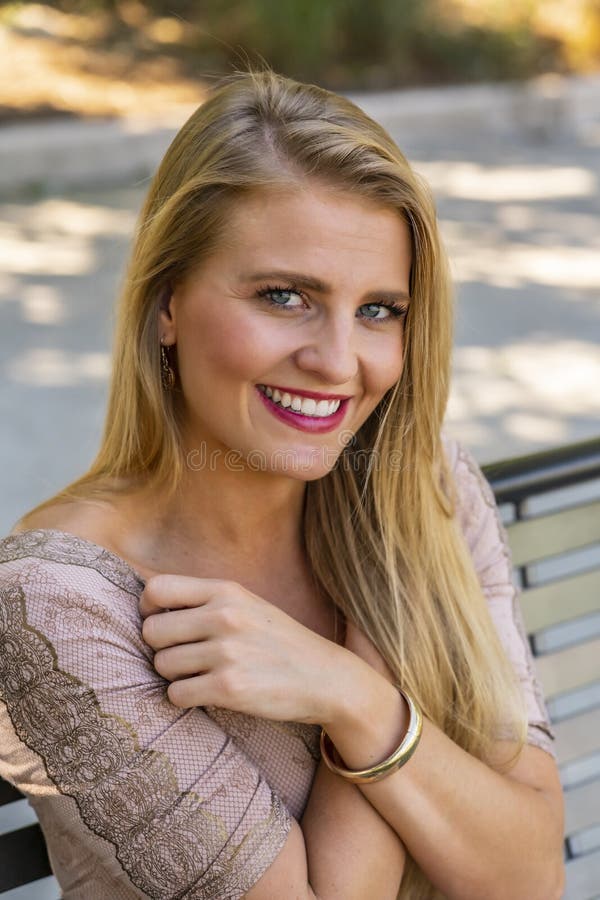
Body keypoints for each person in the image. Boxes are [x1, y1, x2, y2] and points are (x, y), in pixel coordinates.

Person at [0, 69, 564, 899]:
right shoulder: (60, 603)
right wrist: (386, 636)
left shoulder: (419, 488)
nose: (339, 363)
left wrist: (356, 696)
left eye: (380, 310)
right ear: (167, 303)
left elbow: (530, 873)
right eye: (284, 296)